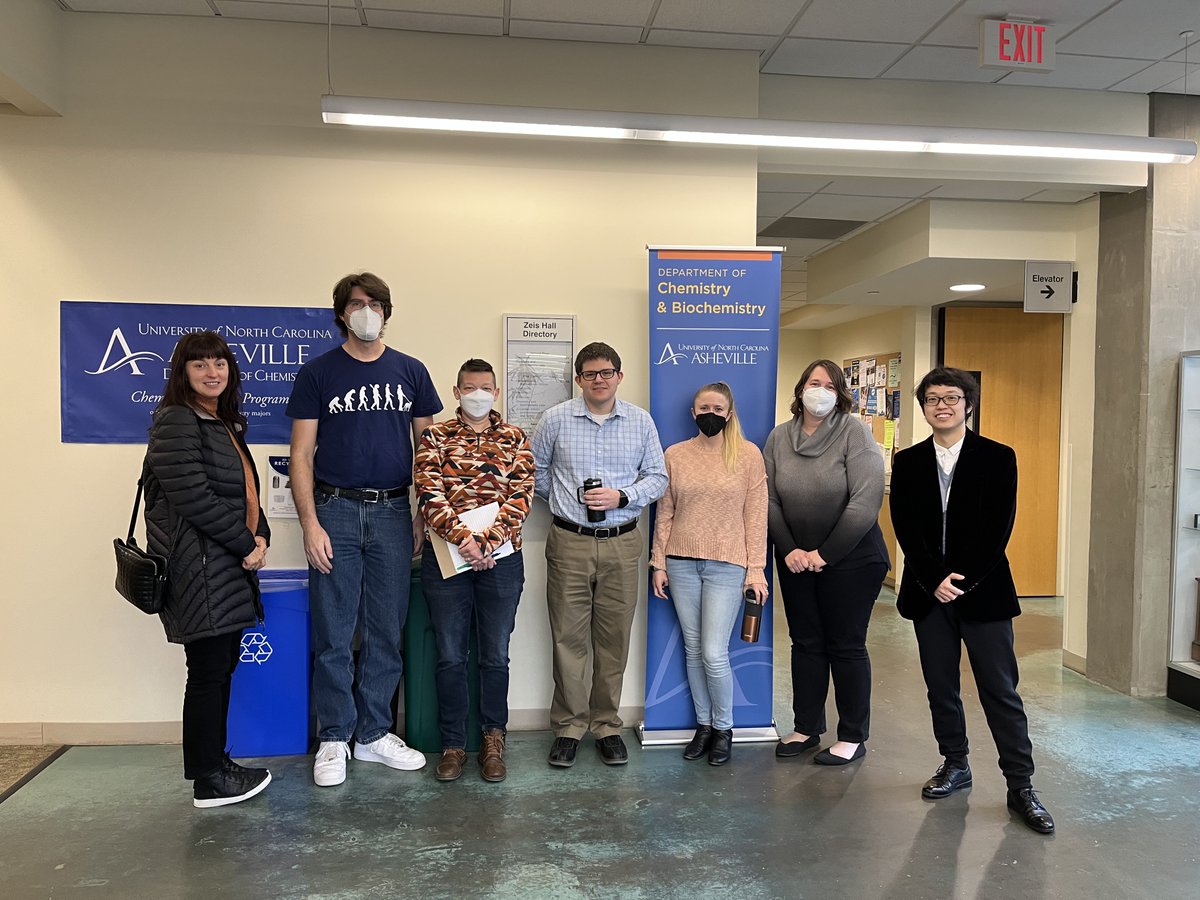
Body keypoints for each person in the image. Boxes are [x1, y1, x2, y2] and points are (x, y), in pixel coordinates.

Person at [287, 271, 443, 787]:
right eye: (357, 303)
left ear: (387, 311)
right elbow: (301, 454)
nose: (367, 311)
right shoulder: (318, 374)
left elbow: (431, 452)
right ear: (340, 313)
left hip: (395, 511)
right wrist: (310, 524)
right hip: (334, 508)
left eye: (375, 303)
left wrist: (425, 512)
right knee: (334, 626)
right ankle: (335, 736)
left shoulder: (411, 371)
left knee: (386, 626)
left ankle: (374, 734)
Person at [889, 367, 1055, 834]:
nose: (942, 405)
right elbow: (906, 528)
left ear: (969, 404)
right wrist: (934, 579)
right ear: (922, 407)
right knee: (941, 687)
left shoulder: (998, 457)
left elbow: (998, 527)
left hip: (983, 593)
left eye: (952, 397)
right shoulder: (908, 461)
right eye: (933, 398)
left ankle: (1021, 785)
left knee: (1000, 691)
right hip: (927, 594)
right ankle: (955, 763)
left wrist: (960, 580)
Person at [143, 330, 271, 808]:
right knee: (207, 674)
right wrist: (245, 543)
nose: (213, 372)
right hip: (201, 569)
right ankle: (207, 777)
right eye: (200, 365)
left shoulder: (219, 421)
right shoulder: (177, 421)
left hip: (225, 566)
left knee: (217, 671)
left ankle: (216, 765)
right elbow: (193, 497)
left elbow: (245, 493)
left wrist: (262, 538)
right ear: (183, 373)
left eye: (220, 363)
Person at [532, 341, 667, 768]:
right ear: (578, 379)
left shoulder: (641, 422)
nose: (599, 380)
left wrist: (622, 496)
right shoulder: (555, 419)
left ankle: (607, 725)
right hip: (569, 540)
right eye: (590, 374)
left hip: (624, 541)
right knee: (567, 638)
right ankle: (570, 727)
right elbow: (533, 471)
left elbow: (658, 477)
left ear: (619, 377)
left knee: (613, 640)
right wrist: (567, 502)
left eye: (607, 372)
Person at [414, 359, 535, 783]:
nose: (478, 394)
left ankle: (492, 740)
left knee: (494, 654)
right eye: (470, 387)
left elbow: (521, 497)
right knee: (449, 655)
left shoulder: (516, 438)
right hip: (446, 558)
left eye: (485, 387)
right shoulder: (435, 436)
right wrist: (464, 540)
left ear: (496, 393)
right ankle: (452, 744)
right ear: (456, 392)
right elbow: (429, 491)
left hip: (502, 561)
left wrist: (486, 543)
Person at [764, 359, 888, 766]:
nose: (821, 390)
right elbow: (768, 499)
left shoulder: (855, 433)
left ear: (841, 394)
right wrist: (791, 550)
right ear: (801, 389)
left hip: (851, 558)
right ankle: (806, 727)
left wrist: (824, 553)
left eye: (830, 385)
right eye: (814, 382)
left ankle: (852, 735)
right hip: (796, 558)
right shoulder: (779, 437)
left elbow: (865, 502)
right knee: (806, 643)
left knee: (846, 645)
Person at [650, 382, 768, 766]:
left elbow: (756, 517)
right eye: (704, 407)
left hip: (728, 565)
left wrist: (757, 571)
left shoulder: (748, 455)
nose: (711, 414)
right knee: (693, 648)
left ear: (730, 413)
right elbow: (664, 512)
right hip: (680, 561)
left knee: (714, 653)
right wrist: (658, 562)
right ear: (693, 412)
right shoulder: (676, 455)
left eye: (718, 408)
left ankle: (724, 728)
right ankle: (703, 725)